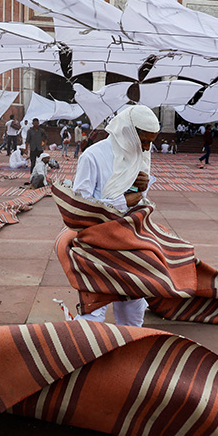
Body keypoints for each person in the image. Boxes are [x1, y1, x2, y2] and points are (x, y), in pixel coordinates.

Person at [72, 105, 160, 327]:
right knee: (93, 312)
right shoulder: (93, 157)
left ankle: (127, 355)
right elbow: (81, 207)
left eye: (151, 142)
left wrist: (142, 187)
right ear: (129, 132)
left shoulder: (141, 155)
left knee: (132, 309)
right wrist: (125, 200)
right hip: (97, 246)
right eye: (144, 141)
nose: (148, 147)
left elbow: (140, 199)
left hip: (129, 243)